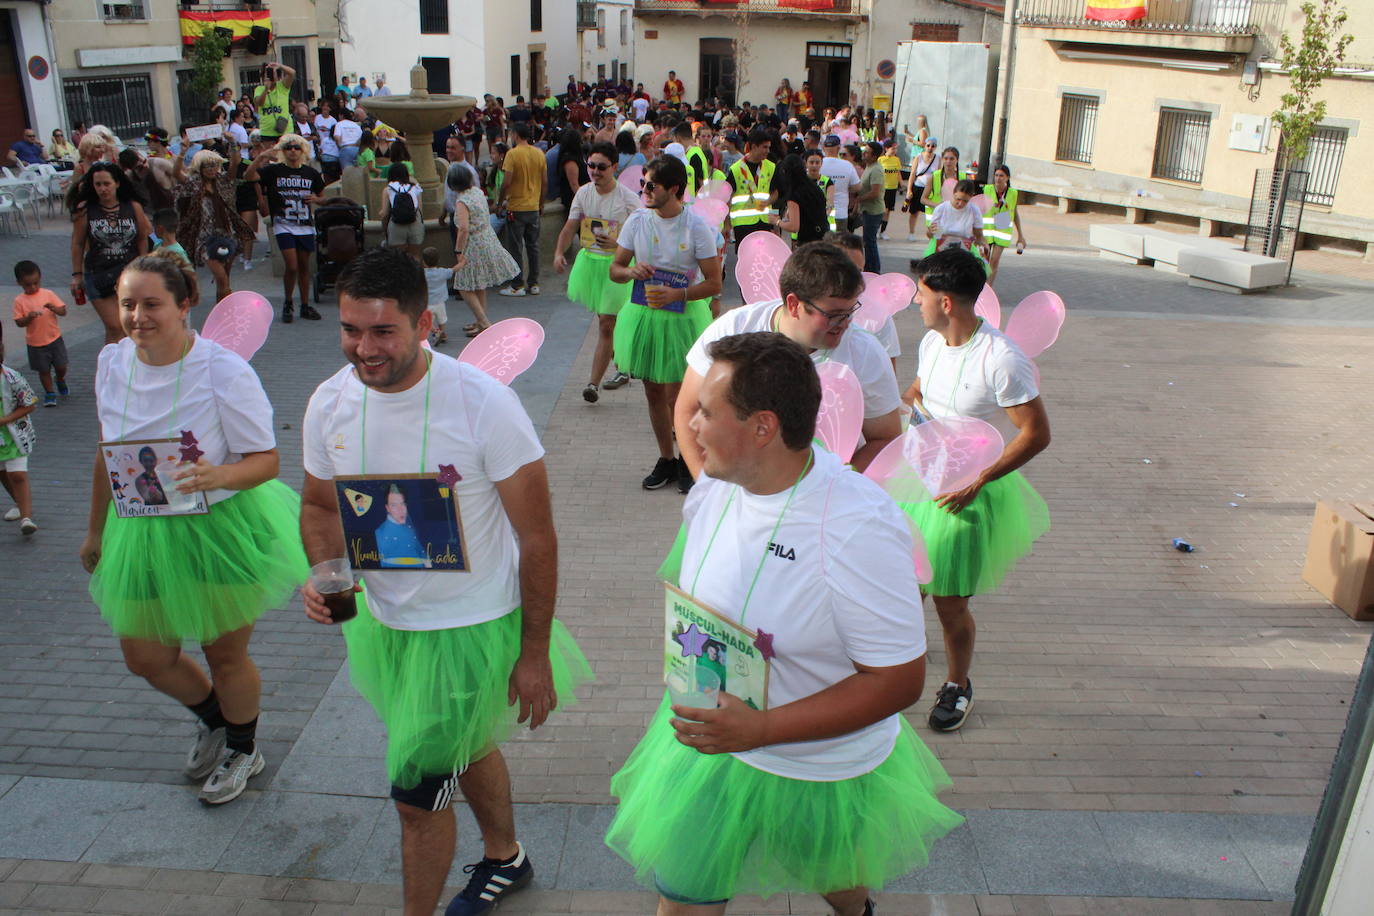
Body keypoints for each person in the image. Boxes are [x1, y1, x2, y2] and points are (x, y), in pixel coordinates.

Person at [605, 331, 961, 915]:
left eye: (705, 412)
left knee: (836, 878)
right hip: (712, 745)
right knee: (683, 902)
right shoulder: (715, 490)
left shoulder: (856, 526)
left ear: (762, 428)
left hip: (816, 765)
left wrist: (761, 730)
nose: (687, 425)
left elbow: (898, 682)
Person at [298, 247, 593, 916]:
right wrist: (325, 574)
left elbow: (538, 537)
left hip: (468, 628)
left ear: (425, 323)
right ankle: (505, 857)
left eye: (382, 332)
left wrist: (535, 652)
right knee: (466, 743)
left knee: (416, 795)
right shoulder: (329, 402)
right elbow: (319, 507)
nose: (363, 349)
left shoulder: (483, 404)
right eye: (349, 329)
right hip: (386, 624)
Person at [81, 252, 307, 802]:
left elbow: (267, 459)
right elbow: (107, 452)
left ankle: (243, 748)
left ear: (185, 305)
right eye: (128, 303)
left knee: (223, 653)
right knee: (146, 656)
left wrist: (219, 473)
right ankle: (214, 718)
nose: (137, 316)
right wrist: (95, 531)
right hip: (141, 530)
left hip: (218, 526)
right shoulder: (112, 363)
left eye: (152, 303)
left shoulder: (221, 369)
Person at [900, 247, 1051, 732]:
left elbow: (1036, 434)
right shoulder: (930, 341)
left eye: (920, 295)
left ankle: (957, 683)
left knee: (948, 602)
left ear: (946, 301)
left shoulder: (1003, 358)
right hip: (914, 481)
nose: (914, 303)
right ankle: (887, 678)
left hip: (960, 494)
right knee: (901, 592)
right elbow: (921, 391)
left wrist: (978, 481)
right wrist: (915, 402)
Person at [676, 240, 900, 479]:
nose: (845, 323)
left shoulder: (865, 352)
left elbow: (886, 438)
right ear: (794, 304)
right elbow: (688, 410)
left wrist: (833, 485)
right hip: (737, 490)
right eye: (833, 315)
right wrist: (708, 489)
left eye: (850, 311)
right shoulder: (734, 329)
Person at [609, 155, 722, 493]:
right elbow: (616, 270)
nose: (644, 190)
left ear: (673, 189)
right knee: (652, 390)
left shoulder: (696, 226)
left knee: (681, 394)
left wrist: (679, 293)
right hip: (643, 315)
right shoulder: (637, 221)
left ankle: (690, 458)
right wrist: (631, 271)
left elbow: (715, 284)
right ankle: (666, 458)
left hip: (683, 318)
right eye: (643, 183)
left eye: (651, 185)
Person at [553, 142, 641, 403]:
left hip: (617, 266)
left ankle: (593, 383)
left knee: (606, 323)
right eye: (590, 165)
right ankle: (621, 365)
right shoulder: (583, 193)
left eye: (601, 166)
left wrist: (619, 246)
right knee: (607, 322)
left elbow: (643, 233)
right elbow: (570, 227)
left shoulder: (628, 199)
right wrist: (558, 253)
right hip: (590, 265)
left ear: (614, 167)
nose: (594, 171)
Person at [247, 134, 326, 323]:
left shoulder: (311, 173)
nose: (292, 151)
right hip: (284, 224)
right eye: (289, 147)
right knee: (291, 266)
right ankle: (288, 301)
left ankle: (305, 305)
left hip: (305, 225)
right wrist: (261, 157)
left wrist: (316, 199)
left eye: (296, 148)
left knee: (305, 267)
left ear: (302, 151)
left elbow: (323, 196)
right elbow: (249, 176)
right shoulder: (274, 171)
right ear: (283, 151)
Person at [70, 163, 151, 345]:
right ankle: (112, 368)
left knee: (126, 326)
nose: (102, 189)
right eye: (98, 184)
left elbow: (142, 237)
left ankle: (116, 367)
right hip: (98, 273)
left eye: (106, 183)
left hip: (128, 273)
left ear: (117, 183)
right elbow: (78, 242)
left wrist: (143, 263)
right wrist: (77, 274)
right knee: (115, 325)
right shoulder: (85, 209)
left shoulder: (132, 206)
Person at [172, 149, 254, 304]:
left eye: (214, 165)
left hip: (226, 234)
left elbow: (235, 164)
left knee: (224, 280)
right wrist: (182, 151)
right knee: (221, 277)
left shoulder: (223, 181)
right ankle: (229, 309)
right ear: (199, 168)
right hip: (205, 238)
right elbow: (176, 173)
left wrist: (232, 144)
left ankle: (222, 312)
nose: (211, 169)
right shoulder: (194, 184)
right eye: (207, 166)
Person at [448, 164, 518, 336]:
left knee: (463, 286)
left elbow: (463, 228)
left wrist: (458, 251)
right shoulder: (478, 192)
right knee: (479, 283)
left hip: (473, 244)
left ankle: (485, 323)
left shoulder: (461, 201)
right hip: (487, 238)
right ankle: (480, 321)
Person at [829, 231, 899, 371]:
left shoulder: (879, 314)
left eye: (858, 271)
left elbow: (888, 370)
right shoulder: (804, 308)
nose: (852, 278)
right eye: (843, 269)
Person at [496, 123, 546, 298]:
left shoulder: (512, 154)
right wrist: (541, 203)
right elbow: (544, 181)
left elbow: (507, 182)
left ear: (515, 135)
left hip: (516, 207)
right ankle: (534, 283)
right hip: (533, 206)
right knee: (533, 246)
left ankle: (517, 284)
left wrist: (499, 201)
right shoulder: (539, 153)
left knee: (516, 247)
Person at [12, 260, 69, 407]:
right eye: (28, 285)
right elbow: (18, 322)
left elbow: (63, 311)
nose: (33, 287)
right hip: (35, 343)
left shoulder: (48, 294)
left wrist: (54, 309)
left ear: (40, 278)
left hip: (54, 338)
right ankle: (49, 393)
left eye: (36, 283)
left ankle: (60, 379)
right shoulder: (19, 301)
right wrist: (28, 317)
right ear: (19, 283)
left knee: (61, 366)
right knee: (43, 370)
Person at [0, 329, 38, 535]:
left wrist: (6, 420)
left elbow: (29, 403)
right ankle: (19, 503)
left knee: (18, 475)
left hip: (15, 437)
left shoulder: (12, 378)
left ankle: (26, 517)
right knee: (4, 474)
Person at [724, 129, 776, 250]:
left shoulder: (771, 167)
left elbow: (776, 193)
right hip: (742, 224)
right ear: (754, 146)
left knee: (763, 258)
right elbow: (727, 198)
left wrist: (768, 203)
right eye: (765, 147)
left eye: (769, 147)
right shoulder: (736, 169)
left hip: (764, 221)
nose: (768, 151)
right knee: (745, 258)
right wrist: (727, 224)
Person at [982, 164, 1027, 285]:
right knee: (984, 262)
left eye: (1001, 176)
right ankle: (981, 287)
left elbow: (1015, 213)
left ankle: (989, 288)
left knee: (994, 261)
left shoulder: (1012, 193)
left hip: (1002, 227)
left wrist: (1020, 235)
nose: (998, 178)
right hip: (987, 228)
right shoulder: (987, 189)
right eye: (996, 175)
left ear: (1007, 178)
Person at [925, 179, 987, 266]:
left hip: (964, 251)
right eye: (958, 199)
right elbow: (931, 235)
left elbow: (979, 236)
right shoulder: (941, 209)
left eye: (965, 201)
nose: (960, 203)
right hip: (941, 250)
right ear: (953, 193)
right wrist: (930, 232)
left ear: (971, 197)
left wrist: (982, 247)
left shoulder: (974, 210)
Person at [774, 154, 828, 247]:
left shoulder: (794, 194)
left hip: (807, 241)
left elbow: (794, 226)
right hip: (824, 236)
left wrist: (776, 221)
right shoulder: (814, 187)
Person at [819, 135, 860, 239]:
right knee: (839, 244)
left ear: (824, 148)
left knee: (822, 244)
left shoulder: (817, 164)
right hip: (841, 212)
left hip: (821, 213)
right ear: (838, 148)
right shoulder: (847, 165)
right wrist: (845, 187)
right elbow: (857, 187)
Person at [380, 163, 424, 260]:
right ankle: (416, 275)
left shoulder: (388, 190)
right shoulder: (415, 188)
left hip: (396, 226)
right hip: (414, 223)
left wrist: (384, 229)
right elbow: (420, 210)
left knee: (398, 258)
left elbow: (384, 214)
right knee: (415, 256)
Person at [855, 142, 886, 273]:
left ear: (874, 156)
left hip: (873, 211)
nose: (864, 153)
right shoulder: (869, 166)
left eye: (867, 152)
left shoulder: (876, 170)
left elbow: (875, 192)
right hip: (867, 210)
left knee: (870, 241)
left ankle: (873, 269)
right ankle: (870, 267)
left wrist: (858, 199)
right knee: (867, 241)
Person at [904, 137, 938, 240]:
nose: (930, 148)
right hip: (918, 186)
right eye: (928, 145)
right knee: (914, 212)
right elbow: (913, 174)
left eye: (933, 146)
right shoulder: (918, 157)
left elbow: (939, 174)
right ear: (924, 146)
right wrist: (909, 189)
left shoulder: (938, 158)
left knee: (931, 213)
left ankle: (931, 234)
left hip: (930, 189)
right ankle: (911, 233)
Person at [253, 62, 295, 143]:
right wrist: (266, 89)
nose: (267, 77)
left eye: (270, 74)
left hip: (285, 130)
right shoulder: (259, 89)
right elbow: (259, 103)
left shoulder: (282, 87)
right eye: (265, 75)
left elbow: (292, 73)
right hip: (267, 132)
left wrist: (280, 66)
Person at [919, 144, 960, 227]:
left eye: (952, 159)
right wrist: (938, 206)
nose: (948, 162)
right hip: (936, 220)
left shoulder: (962, 178)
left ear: (957, 160)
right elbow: (923, 199)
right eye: (946, 158)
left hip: (954, 220)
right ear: (942, 159)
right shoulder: (933, 177)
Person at [555, 126, 589, 213]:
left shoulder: (575, 157)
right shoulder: (570, 161)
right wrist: (585, 202)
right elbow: (574, 184)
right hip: (573, 199)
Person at [420, 246, 450, 345]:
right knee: (442, 319)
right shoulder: (442, 272)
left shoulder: (422, 274)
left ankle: (436, 332)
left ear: (423, 261)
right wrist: (462, 263)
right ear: (438, 260)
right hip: (440, 301)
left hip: (428, 303)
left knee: (427, 321)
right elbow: (454, 270)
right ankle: (442, 333)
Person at [878, 138, 901, 240]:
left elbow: (898, 173)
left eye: (896, 149)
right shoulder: (880, 160)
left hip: (892, 188)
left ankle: (883, 231)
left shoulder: (896, 160)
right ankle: (876, 229)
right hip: (883, 188)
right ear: (886, 148)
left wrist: (902, 183)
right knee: (881, 210)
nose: (894, 151)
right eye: (893, 148)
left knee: (887, 211)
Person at [314, 99, 340, 181]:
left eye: (327, 106)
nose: (325, 108)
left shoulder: (333, 120)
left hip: (329, 145)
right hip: (319, 144)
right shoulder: (317, 118)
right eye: (324, 106)